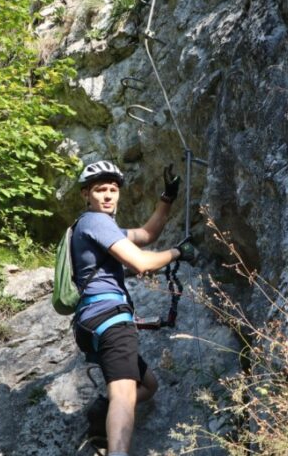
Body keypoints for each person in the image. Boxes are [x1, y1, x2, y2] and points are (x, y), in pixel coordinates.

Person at [70, 160, 194, 456]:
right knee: (124, 393)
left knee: (148, 386)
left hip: (91, 322)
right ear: (86, 194)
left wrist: (168, 197)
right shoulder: (95, 221)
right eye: (100, 190)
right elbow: (140, 262)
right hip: (109, 318)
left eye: (113, 189)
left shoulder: (98, 226)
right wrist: (179, 252)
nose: (108, 195)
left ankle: (102, 416)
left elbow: (147, 234)